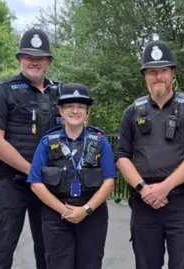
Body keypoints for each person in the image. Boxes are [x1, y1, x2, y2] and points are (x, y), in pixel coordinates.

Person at [115, 39, 184, 269]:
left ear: (173, 73)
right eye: (152, 71)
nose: (158, 77)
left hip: (182, 202)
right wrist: (145, 190)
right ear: (145, 75)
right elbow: (122, 157)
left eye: (163, 70)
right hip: (144, 202)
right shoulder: (131, 112)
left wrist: (164, 187)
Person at [0, 27, 60, 269]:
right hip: (12, 186)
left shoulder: (61, 93)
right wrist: (33, 172)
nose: (33, 62)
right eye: (28, 56)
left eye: (39, 57)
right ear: (19, 59)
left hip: (49, 187)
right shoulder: (3, 91)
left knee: (49, 254)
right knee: (0, 253)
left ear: (48, 61)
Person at [27, 83, 116, 269]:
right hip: (56, 215)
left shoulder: (100, 141)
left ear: (87, 111)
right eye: (69, 106)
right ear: (60, 110)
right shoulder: (47, 142)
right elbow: (36, 183)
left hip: (92, 215)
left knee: (90, 264)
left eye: (81, 106)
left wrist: (86, 210)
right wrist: (64, 211)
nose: (75, 111)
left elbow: (109, 182)